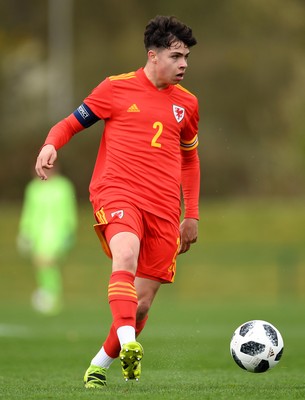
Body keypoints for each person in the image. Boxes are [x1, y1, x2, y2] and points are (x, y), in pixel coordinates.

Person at [35, 15, 200, 387]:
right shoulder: (115, 88)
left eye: (186, 56)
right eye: (176, 56)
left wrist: (192, 215)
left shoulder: (188, 105)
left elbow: (190, 160)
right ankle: (130, 344)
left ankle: (99, 365)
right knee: (124, 253)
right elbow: (70, 123)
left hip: (163, 209)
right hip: (117, 191)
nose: (184, 64)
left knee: (141, 304)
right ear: (152, 56)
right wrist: (50, 144)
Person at [17, 166, 78, 315]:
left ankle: (51, 295)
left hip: (57, 232)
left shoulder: (63, 186)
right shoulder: (33, 188)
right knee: (40, 263)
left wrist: (69, 230)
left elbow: (69, 210)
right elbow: (28, 211)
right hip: (37, 233)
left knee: (46, 261)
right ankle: (49, 294)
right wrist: (24, 232)